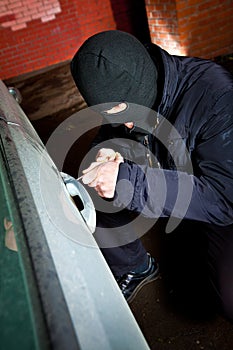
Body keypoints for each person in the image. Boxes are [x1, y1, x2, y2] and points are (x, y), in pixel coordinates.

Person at [70, 30, 233, 320]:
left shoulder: (218, 96)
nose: (126, 125)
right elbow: (110, 135)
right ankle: (135, 266)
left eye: (125, 112)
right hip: (172, 177)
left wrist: (129, 180)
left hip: (218, 195)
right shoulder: (124, 98)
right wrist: (102, 155)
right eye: (112, 116)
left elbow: (223, 199)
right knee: (94, 182)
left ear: (143, 83)